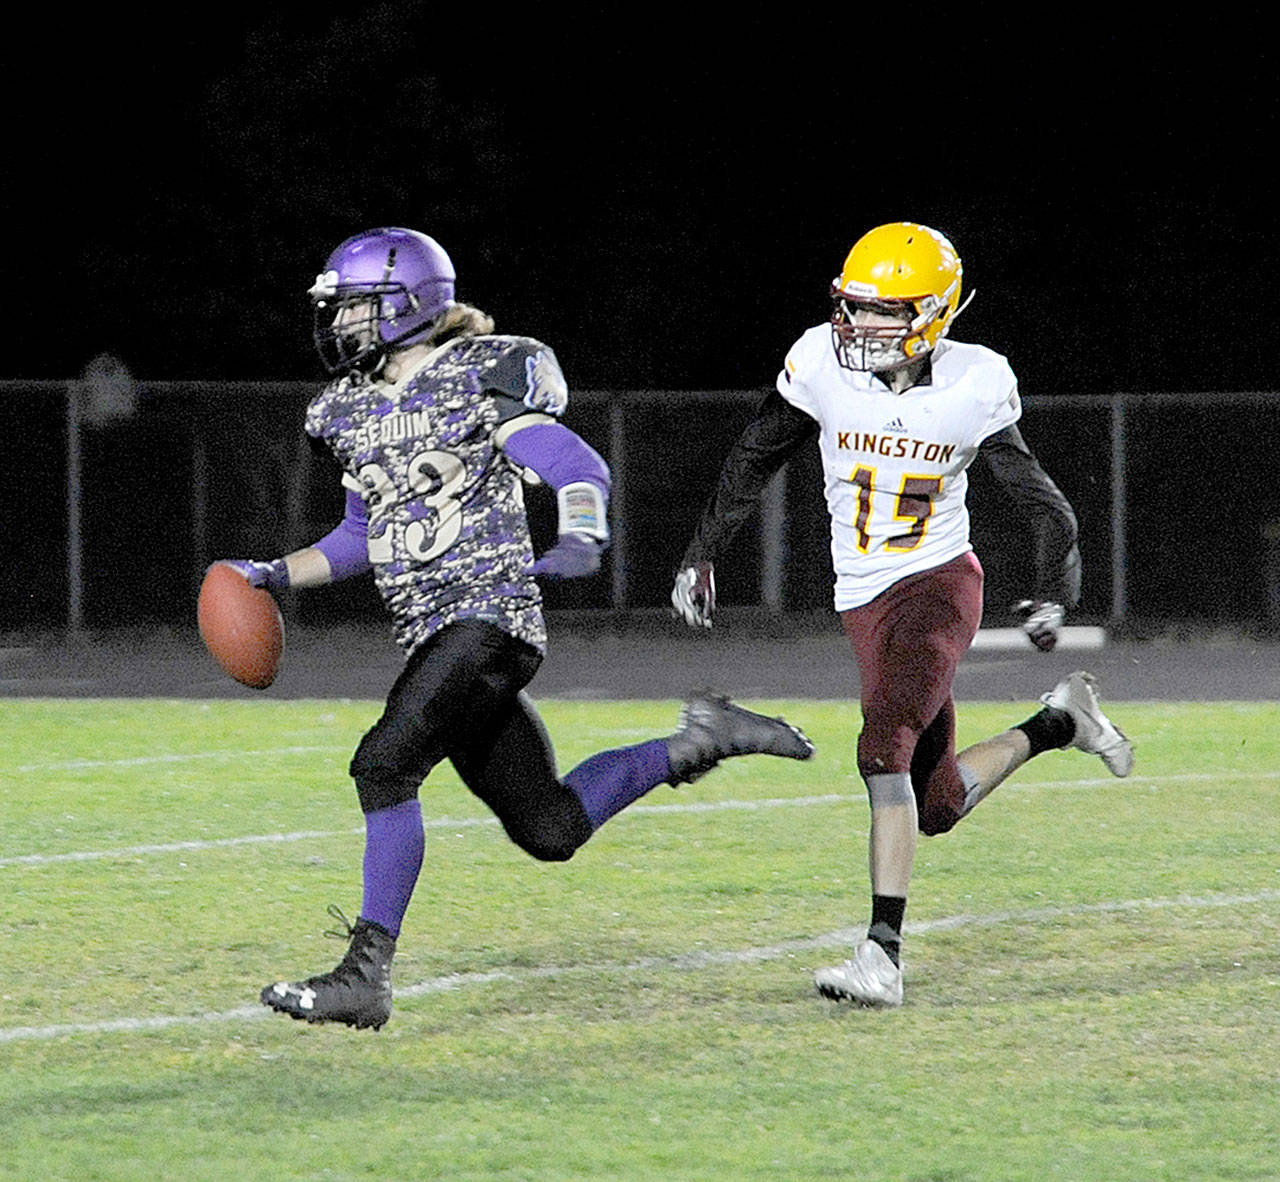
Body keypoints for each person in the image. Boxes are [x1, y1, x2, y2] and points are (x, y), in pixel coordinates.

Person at [221, 227, 814, 1030]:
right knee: (550, 827)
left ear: (406, 306)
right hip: (433, 634)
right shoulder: (346, 410)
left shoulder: (479, 374)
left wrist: (580, 534)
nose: (343, 327)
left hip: (490, 617)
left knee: (383, 764)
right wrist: (274, 573)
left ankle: (366, 974)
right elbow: (362, 534)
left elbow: (576, 464)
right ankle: (701, 740)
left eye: (357, 309)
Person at [671, 221, 1133, 1008]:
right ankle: (1063, 720)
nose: (863, 327)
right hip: (861, 597)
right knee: (938, 803)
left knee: (883, 748)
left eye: (887, 311)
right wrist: (701, 549)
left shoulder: (973, 381)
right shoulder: (820, 360)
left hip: (938, 584)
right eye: (856, 308)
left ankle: (880, 956)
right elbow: (757, 452)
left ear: (936, 312)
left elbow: (1042, 503)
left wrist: (1057, 587)